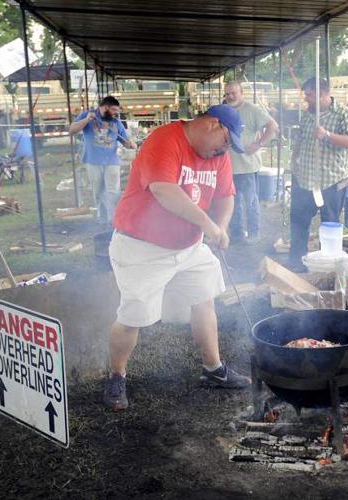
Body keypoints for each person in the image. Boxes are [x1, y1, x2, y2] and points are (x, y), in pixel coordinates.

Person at [102, 104, 251, 412]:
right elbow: (164, 191)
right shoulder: (165, 139)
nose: (225, 150)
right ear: (212, 124)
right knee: (134, 317)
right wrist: (207, 225)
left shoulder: (218, 157)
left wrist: (220, 227)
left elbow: (226, 196)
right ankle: (117, 375)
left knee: (204, 297)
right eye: (226, 141)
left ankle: (213, 369)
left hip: (189, 247)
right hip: (142, 246)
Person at [288, 78, 348, 271]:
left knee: (330, 227)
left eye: (309, 95)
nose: (306, 99)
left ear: (321, 94)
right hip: (305, 179)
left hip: (332, 182)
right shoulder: (308, 114)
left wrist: (327, 135)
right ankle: (296, 264)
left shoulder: (343, 113)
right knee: (298, 224)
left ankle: (328, 267)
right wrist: (294, 160)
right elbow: (301, 139)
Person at [223, 81, 279, 244]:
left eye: (234, 93)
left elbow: (273, 126)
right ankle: (237, 234)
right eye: (227, 94)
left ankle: (254, 234)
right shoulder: (223, 111)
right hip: (227, 166)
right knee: (232, 203)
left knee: (251, 202)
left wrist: (259, 144)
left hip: (247, 166)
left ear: (242, 93)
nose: (230, 96)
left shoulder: (252, 109)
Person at [69, 96, 136, 225]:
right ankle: (102, 217)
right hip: (93, 161)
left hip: (112, 161)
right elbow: (72, 130)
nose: (116, 113)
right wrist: (86, 120)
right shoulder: (87, 115)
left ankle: (113, 218)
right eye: (114, 110)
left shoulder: (116, 122)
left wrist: (130, 144)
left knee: (112, 191)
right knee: (98, 190)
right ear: (105, 107)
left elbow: (125, 140)